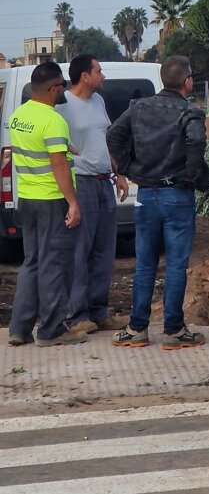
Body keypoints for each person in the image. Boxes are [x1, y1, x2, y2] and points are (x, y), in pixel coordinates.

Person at [106, 55, 208, 350]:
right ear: (187, 81)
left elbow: (113, 135)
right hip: (177, 195)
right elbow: (197, 142)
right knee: (176, 264)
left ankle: (137, 328)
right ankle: (174, 331)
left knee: (145, 264)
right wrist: (189, 174)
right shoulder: (190, 112)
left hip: (147, 195)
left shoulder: (138, 108)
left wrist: (128, 167)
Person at [8, 62, 85, 347]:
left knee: (32, 262)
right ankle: (52, 329)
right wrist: (73, 203)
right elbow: (58, 166)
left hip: (27, 198)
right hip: (51, 200)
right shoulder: (53, 120)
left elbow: (38, 150)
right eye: (62, 86)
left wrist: (63, 147)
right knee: (54, 264)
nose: (63, 90)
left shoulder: (19, 115)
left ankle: (19, 329)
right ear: (53, 89)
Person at [59, 55, 128, 334]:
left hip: (104, 182)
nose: (104, 75)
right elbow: (55, 145)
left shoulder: (98, 102)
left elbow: (105, 138)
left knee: (104, 250)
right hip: (82, 183)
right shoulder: (62, 104)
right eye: (99, 71)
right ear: (84, 76)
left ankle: (99, 311)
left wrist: (118, 173)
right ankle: (76, 315)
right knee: (80, 251)